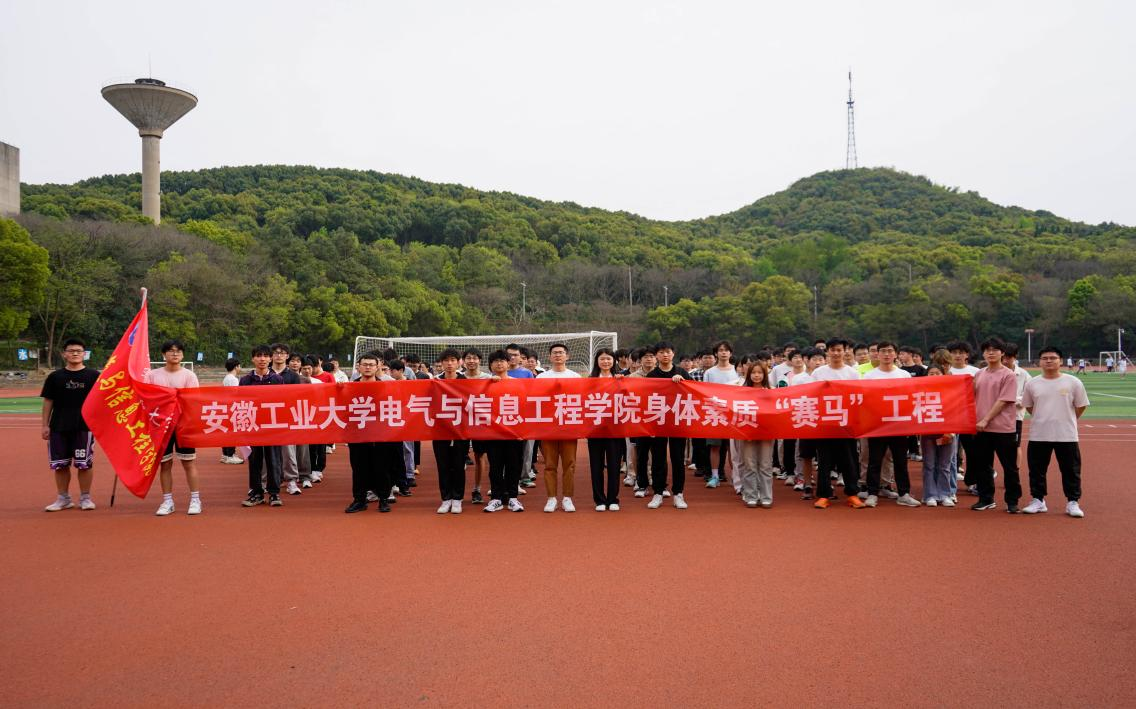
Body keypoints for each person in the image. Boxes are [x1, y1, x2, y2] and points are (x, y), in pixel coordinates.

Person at [1021, 347, 1089, 518]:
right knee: (1037, 470)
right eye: (1045, 358)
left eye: (1053, 358)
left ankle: (1073, 502)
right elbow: (1029, 406)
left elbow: (1081, 406)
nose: (1049, 361)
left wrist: (1066, 419)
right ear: (1039, 362)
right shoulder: (1032, 383)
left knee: (1070, 470)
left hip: (1066, 434)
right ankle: (1038, 500)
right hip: (1039, 434)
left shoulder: (1073, 382)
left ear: (1061, 361)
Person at [40, 338, 100, 512]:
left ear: (84, 354)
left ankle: (85, 498)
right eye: (71, 351)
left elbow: (103, 400)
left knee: (85, 464)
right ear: (64, 354)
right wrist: (45, 425)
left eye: (78, 351)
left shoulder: (94, 376)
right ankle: (63, 498)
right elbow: (48, 401)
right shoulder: (55, 377)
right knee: (60, 464)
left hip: (84, 427)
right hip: (58, 426)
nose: (75, 353)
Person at [146, 340, 203, 516]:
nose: (175, 354)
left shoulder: (189, 376)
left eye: (178, 351)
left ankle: (195, 499)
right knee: (165, 464)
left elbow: (193, 401)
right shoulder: (152, 375)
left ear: (183, 355)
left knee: (189, 462)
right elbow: (146, 398)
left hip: (183, 425)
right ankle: (167, 501)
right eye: (171, 351)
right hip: (160, 426)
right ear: (164, 354)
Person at [861, 342, 919, 507]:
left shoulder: (903, 375)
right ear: (877, 354)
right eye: (883, 351)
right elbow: (865, 400)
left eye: (890, 351)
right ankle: (872, 493)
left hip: (899, 425)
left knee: (900, 461)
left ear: (895, 354)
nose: (886, 354)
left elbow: (911, 398)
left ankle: (904, 493)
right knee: (875, 460)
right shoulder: (869, 376)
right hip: (877, 425)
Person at [811, 338, 866, 509]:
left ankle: (852, 494)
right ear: (827, 352)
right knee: (824, 461)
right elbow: (811, 396)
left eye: (839, 350)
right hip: (825, 424)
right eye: (833, 350)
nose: (836, 353)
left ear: (845, 351)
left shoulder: (852, 373)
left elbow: (858, 397)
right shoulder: (818, 373)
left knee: (849, 460)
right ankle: (823, 495)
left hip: (846, 424)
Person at [970, 338, 1022, 512]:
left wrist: (986, 419)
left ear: (1002, 353)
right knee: (983, 465)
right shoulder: (979, 374)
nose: (990, 353)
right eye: (987, 350)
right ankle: (986, 498)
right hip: (981, 428)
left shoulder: (1008, 375)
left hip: (1002, 428)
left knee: (1009, 466)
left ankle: (1012, 501)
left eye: (995, 350)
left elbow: (1004, 400)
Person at [646, 342, 693, 509]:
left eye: (668, 352)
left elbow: (693, 393)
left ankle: (678, 493)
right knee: (658, 458)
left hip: (678, 422)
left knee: (678, 459)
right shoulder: (652, 375)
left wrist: (683, 383)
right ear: (656, 356)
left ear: (673, 354)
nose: (665, 355)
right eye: (661, 352)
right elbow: (645, 397)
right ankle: (658, 493)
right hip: (658, 422)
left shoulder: (682, 373)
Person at [344, 353, 392, 514]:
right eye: (365, 364)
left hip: (380, 434)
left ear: (378, 367)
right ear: (358, 367)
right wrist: (338, 390)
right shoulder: (349, 387)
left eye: (371, 365)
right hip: (357, 435)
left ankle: (384, 499)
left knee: (382, 467)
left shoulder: (385, 386)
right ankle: (359, 500)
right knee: (359, 468)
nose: (368, 367)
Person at [537, 343, 582, 512]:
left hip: (568, 426)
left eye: (561, 352)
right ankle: (551, 498)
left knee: (569, 464)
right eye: (554, 353)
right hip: (548, 426)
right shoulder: (541, 377)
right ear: (549, 356)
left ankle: (567, 498)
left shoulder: (575, 376)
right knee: (550, 464)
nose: (558, 355)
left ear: (567, 356)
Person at [241, 345, 285, 507]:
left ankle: (274, 493)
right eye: (259, 356)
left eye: (266, 356)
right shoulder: (245, 380)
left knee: (274, 460)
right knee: (255, 461)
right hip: (253, 426)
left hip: (272, 426)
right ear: (253, 359)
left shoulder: (277, 379)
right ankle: (256, 492)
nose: (262, 359)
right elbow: (240, 402)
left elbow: (284, 401)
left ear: (270, 358)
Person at [484, 350, 525, 512]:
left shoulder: (518, 383)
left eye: (502, 360)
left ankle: (513, 497)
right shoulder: (485, 384)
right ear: (490, 365)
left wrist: (523, 431)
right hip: (493, 433)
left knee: (513, 466)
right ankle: (496, 498)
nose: (499, 364)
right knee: (495, 467)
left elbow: (525, 407)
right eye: (495, 361)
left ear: (508, 364)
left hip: (514, 432)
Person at [432, 349, 470, 514]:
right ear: (441, 363)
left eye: (453, 360)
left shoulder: (466, 381)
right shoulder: (435, 381)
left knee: (458, 466)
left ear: (459, 362)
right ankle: (446, 498)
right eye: (446, 360)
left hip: (460, 432)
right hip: (440, 431)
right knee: (443, 466)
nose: (449, 363)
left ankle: (457, 499)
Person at [587, 348, 624, 511]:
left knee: (614, 465)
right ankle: (600, 500)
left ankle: (613, 499)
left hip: (615, 429)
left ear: (614, 361)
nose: (605, 362)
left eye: (609, 358)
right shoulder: (589, 380)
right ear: (597, 361)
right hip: (595, 429)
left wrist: (622, 382)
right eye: (602, 359)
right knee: (596, 465)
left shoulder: (621, 379)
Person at [919, 365, 958, 506]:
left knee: (945, 465)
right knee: (929, 465)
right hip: (927, 432)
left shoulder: (951, 391)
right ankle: (929, 495)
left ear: (943, 374)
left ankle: (945, 494)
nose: (934, 375)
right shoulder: (920, 391)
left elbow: (957, 410)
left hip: (947, 432)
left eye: (937, 373)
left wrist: (951, 431)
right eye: (931, 373)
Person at [739, 360, 775, 508]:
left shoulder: (772, 391)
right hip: (747, 432)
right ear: (748, 374)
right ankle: (751, 495)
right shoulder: (741, 392)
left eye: (760, 372)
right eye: (753, 372)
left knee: (765, 465)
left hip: (766, 432)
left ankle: (766, 496)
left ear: (765, 374)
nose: (756, 375)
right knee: (749, 464)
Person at [703, 340, 738, 489]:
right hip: (715, 413)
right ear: (716, 354)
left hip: (733, 413)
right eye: (721, 350)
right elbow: (704, 393)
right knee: (714, 447)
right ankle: (715, 476)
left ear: (730, 353)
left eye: (726, 350)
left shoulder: (737, 371)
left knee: (733, 448)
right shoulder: (709, 372)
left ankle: (736, 477)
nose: (724, 353)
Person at [462, 348, 493, 504]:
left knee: (479, 456)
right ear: (463, 361)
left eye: (474, 358)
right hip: (461, 422)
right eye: (468, 358)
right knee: (458, 458)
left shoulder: (488, 378)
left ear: (480, 360)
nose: (471, 361)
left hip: (480, 423)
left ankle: (477, 489)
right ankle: (456, 492)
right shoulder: (458, 378)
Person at [627, 346, 657, 497]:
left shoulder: (661, 375)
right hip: (638, 419)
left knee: (658, 453)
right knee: (639, 452)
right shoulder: (632, 377)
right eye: (646, 357)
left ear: (656, 358)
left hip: (657, 419)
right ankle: (640, 480)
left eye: (651, 356)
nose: (649, 359)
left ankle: (656, 481)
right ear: (640, 360)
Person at [220, 357, 244, 464]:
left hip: (227, 407)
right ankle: (230, 455)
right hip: (232, 408)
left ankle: (226, 454)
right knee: (232, 432)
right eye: (239, 366)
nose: (240, 368)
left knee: (226, 432)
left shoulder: (227, 378)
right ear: (236, 367)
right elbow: (235, 395)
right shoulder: (233, 379)